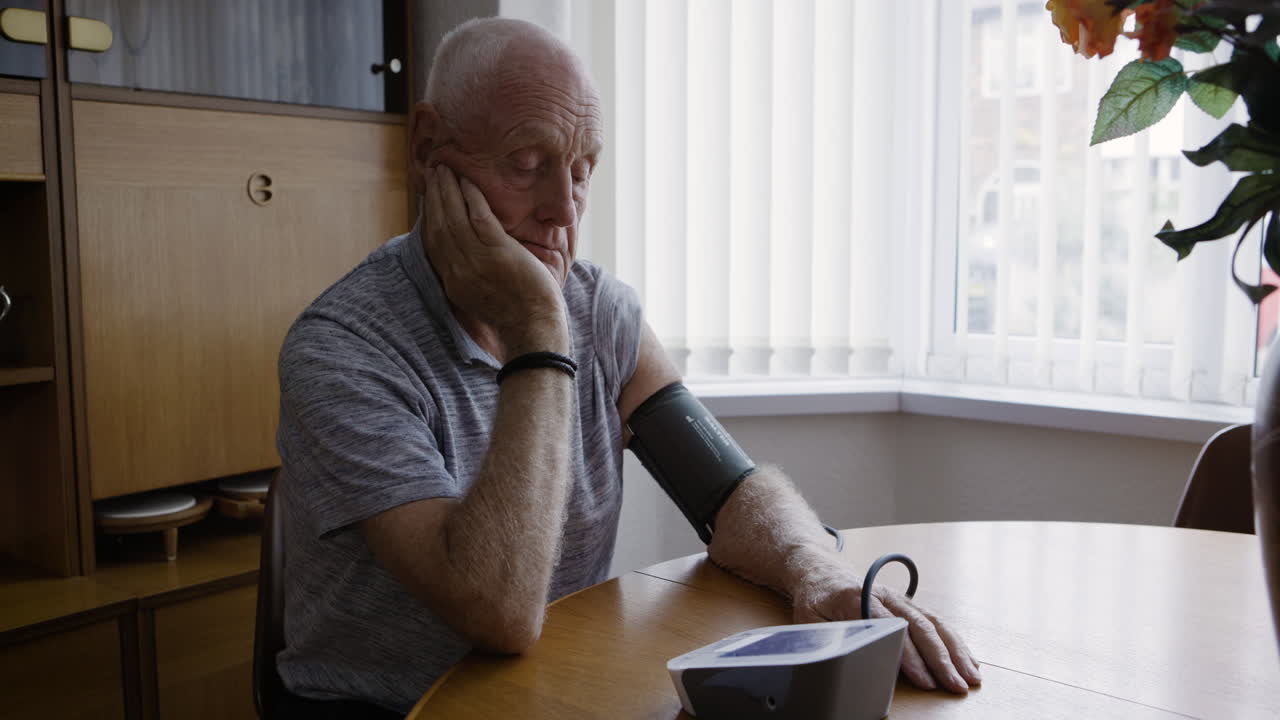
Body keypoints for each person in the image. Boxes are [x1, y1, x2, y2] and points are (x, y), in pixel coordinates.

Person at [274, 16, 981, 717]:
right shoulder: (341, 349)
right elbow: (498, 611)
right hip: (380, 707)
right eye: (527, 164)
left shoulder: (601, 312)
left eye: (582, 172)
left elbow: (728, 492)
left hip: (542, 691)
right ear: (429, 147)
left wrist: (814, 567)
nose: (562, 208)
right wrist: (538, 334)